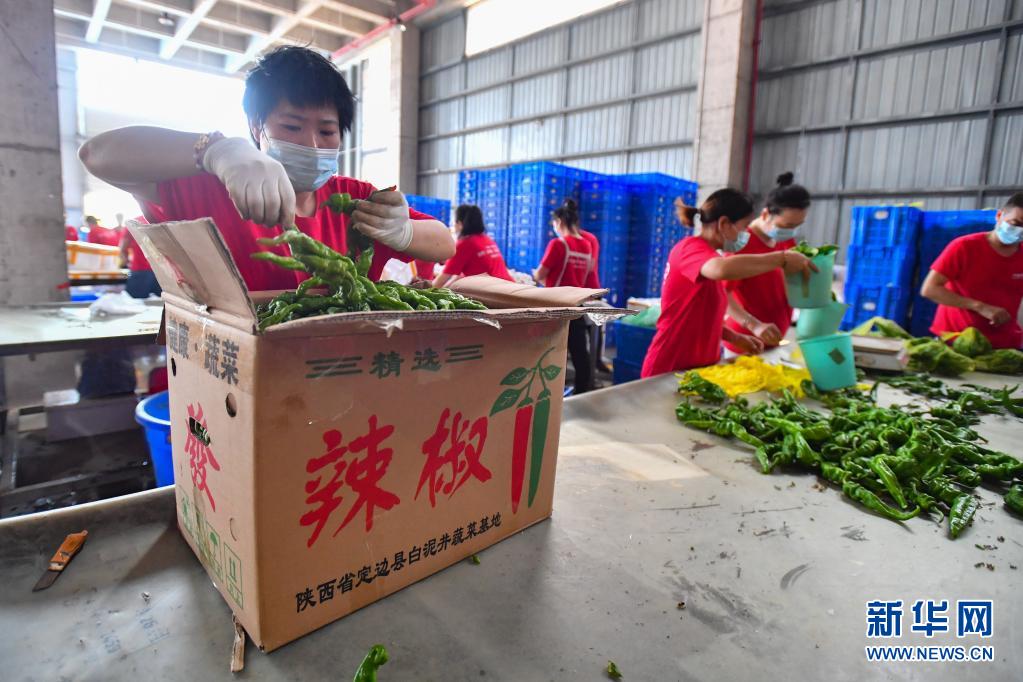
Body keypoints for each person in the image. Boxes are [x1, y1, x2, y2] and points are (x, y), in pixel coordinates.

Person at [78, 46, 453, 292]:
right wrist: (214, 150)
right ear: (257, 128)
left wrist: (402, 232)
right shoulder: (209, 187)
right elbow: (97, 154)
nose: (312, 144)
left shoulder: (355, 199)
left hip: (343, 369)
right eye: (291, 126)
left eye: (327, 131)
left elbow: (444, 243)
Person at [641, 188, 816, 378]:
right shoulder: (689, 248)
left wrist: (735, 337)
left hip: (698, 369)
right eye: (744, 227)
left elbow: (702, 318)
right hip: (670, 366)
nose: (746, 234)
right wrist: (781, 258)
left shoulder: (709, 256)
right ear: (724, 224)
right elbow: (721, 269)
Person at [722, 172, 811, 353]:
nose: (792, 231)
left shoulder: (784, 239)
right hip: (745, 342)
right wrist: (753, 325)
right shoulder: (741, 244)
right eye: (787, 226)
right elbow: (722, 293)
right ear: (765, 214)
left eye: (797, 226)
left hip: (776, 338)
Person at [920, 193, 1023, 349]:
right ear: (999, 216)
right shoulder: (964, 247)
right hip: (955, 341)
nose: (1019, 231)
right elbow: (930, 289)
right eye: (1015, 223)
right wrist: (980, 307)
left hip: (1003, 344)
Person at [534, 199, 595, 394]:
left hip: (556, 306)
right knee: (579, 353)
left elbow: (540, 274)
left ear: (559, 221)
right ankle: (582, 392)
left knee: (549, 353)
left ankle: (546, 393)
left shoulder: (558, 244)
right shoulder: (587, 245)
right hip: (576, 304)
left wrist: (535, 275)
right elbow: (588, 273)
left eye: (554, 223)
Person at [432, 204, 512, 288]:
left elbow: (442, 279)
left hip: (495, 291)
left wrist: (426, 291)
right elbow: (459, 276)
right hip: (510, 286)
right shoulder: (486, 239)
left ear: (460, 224)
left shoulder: (465, 244)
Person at [120, 216, 162, 299]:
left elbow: (122, 249)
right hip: (161, 270)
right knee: (161, 303)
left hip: (140, 270)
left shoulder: (133, 222)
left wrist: (126, 263)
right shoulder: (159, 219)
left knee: (135, 303)